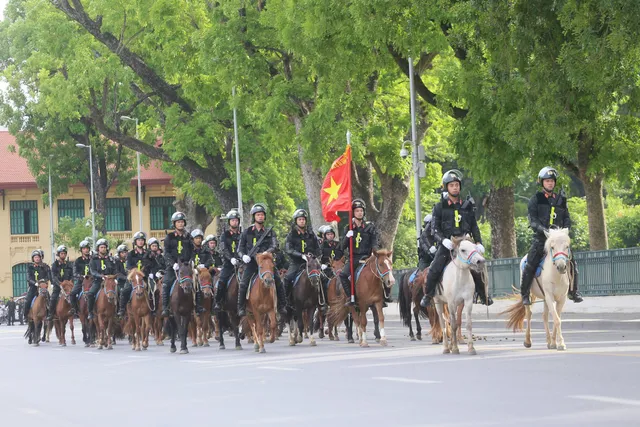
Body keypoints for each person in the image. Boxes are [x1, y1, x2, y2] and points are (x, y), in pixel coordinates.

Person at [420, 170, 492, 308]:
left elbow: (474, 227)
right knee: (435, 268)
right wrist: (443, 241)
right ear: (446, 187)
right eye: (452, 185)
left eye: (457, 185)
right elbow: (434, 229)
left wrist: (478, 242)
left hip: (465, 243)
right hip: (448, 244)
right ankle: (428, 295)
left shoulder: (467, 206)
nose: (455, 187)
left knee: (479, 266)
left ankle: (483, 295)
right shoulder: (439, 207)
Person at [520, 167, 583, 305]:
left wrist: (566, 228)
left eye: (552, 181)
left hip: (559, 239)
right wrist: (544, 230)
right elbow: (533, 221)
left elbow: (566, 217)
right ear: (542, 182)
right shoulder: (535, 199)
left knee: (572, 262)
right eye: (547, 181)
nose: (550, 183)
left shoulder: (561, 199)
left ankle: (574, 291)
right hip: (542, 239)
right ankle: (525, 294)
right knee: (530, 263)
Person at [236, 203, 287, 317]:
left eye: (262, 215)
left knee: (278, 281)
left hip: (266, 263)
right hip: (251, 263)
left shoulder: (270, 232)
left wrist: (267, 251)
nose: (260, 217)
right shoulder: (246, 232)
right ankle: (241, 307)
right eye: (258, 215)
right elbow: (240, 248)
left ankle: (282, 305)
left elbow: (275, 245)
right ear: (254, 216)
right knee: (244, 283)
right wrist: (243, 256)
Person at [339, 199, 383, 307]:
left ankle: (384, 296)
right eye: (357, 211)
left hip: (367, 257)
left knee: (383, 271)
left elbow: (375, 241)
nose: (360, 213)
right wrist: (347, 237)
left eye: (361, 211)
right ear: (353, 213)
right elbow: (341, 247)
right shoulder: (348, 228)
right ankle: (351, 297)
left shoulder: (370, 226)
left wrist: (374, 252)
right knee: (343, 275)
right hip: (353, 258)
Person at [284, 209, 322, 310]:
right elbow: (288, 249)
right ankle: (285, 302)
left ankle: (322, 301)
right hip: (297, 262)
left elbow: (317, 247)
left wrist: (315, 257)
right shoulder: (291, 234)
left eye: (303, 219)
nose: (302, 221)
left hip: (311, 262)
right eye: (300, 219)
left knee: (321, 277)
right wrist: (301, 255)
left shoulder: (311, 233)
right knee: (287, 278)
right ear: (296, 221)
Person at [162, 212, 194, 317]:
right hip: (173, 267)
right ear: (174, 224)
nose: (180, 224)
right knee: (166, 284)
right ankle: (165, 307)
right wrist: (172, 264)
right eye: (178, 222)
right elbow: (166, 253)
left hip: (185, 267)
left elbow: (192, 251)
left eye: (182, 222)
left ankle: (197, 306)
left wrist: (191, 262)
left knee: (198, 284)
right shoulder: (169, 237)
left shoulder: (189, 236)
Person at [118, 232, 152, 317]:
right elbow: (129, 267)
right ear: (135, 242)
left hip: (145, 277)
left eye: (142, 240)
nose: (140, 242)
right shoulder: (131, 254)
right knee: (125, 290)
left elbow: (151, 265)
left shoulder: (148, 253)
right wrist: (138, 273)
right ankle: (122, 309)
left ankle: (153, 308)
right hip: (134, 277)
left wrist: (150, 273)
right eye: (138, 240)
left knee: (154, 290)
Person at [214, 210, 242, 312]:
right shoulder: (224, 235)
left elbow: (244, 247)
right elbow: (223, 249)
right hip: (228, 265)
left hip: (241, 264)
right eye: (232, 220)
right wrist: (231, 259)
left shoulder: (242, 235)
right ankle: (218, 302)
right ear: (229, 222)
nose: (235, 222)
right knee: (221, 281)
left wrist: (241, 258)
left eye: (236, 220)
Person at [87, 239, 119, 320]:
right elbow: (92, 271)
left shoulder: (110, 259)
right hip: (98, 281)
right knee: (90, 294)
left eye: (104, 247)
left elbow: (115, 269)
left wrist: (112, 276)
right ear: (98, 248)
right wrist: (100, 276)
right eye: (101, 247)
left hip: (110, 280)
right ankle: (90, 312)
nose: (103, 249)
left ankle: (119, 311)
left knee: (120, 292)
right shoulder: (93, 259)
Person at [48, 245, 74, 321]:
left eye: (64, 253)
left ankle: (75, 310)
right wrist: (59, 284)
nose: (63, 255)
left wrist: (70, 282)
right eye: (61, 253)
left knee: (74, 296)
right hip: (58, 285)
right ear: (59, 254)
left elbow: (72, 275)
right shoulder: (54, 265)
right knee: (53, 298)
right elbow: (53, 276)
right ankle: (51, 314)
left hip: (68, 286)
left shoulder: (69, 264)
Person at [23, 249, 52, 319]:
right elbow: (28, 278)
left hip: (42, 287)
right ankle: (26, 316)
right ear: (33, 258)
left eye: (38, 257)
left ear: (41, 258)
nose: (37, 258)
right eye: (35, 257)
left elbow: (49, 276)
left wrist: (44, 281)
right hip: (33, 287)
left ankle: (50, 314)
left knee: (49, 299)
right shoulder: (30, 267)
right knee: (27, 300)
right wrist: (35, 283)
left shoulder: (45, 267)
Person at [192, 228, 214, 314]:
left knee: (214, 282)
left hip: (205, 271)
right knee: (194, 284)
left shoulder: (206, 250)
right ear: (193, 239)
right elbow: (187, 259)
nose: (198, 240)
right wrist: (194, 266)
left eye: (200, 238)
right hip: (194, 271)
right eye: (196, 238)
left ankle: (214, 303)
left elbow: (210, 260)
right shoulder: (190, 250)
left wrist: (205, 265)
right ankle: (197, 305)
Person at [319, 225, 343, 298]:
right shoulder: (321, 245)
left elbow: (344, 255)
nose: (330, 236)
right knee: (321, 280)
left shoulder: (339, 244)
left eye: (331, 234)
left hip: (339, 267)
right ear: (325, 236)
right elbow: (318, 257)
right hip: (326, 268)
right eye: (328, 234)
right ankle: (324, 299)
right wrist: (322, 265)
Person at [70, 240, 92, 315]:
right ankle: (74, 308)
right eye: (84, 248)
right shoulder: (78, 261)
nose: (86, 250)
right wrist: (81, 276)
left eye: (87, 248)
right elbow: (75, 273)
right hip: (81, 281)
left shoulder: (93, 259)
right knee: (72, 293)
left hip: (92, 281)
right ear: (81, 250)